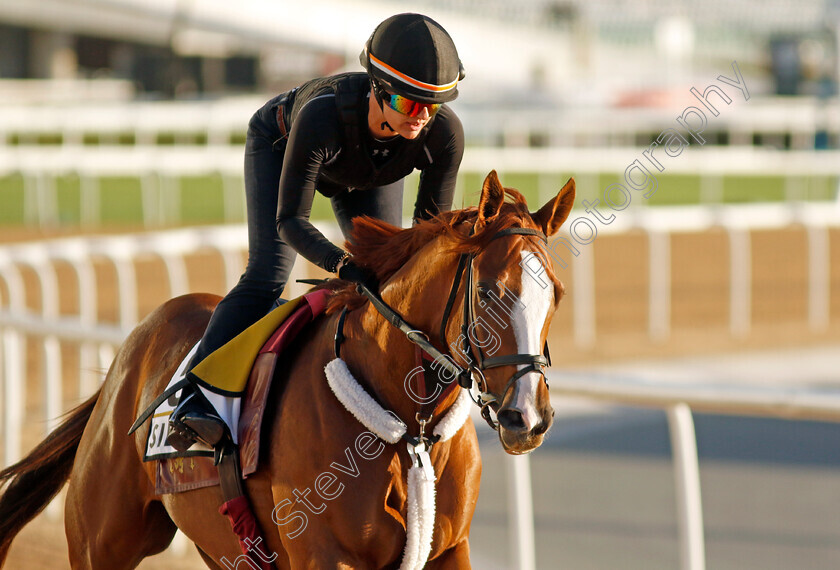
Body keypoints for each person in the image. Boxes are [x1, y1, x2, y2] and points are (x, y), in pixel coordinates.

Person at [166, 13, 466, 451]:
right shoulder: (321, 118)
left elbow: (425, 240)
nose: (420, 118)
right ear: (377, 91)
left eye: (431, 106)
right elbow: (290, 221)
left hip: (365, 170)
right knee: (269, 272)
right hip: (282, 142)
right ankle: (194, 399)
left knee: (390, 279)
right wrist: (342, 265)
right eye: (407, 104)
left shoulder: (444, 136)